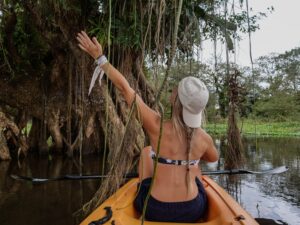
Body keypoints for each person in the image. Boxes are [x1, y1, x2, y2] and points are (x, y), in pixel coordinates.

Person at [76, 31, 219, 223]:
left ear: (174, 99)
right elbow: (212, 159)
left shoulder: (155, 125)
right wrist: (191, 161)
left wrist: (100, 58)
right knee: (196, 170)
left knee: (146, 152)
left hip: (154, 208)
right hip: (191, 209)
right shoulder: (204, 138)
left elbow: (125, 88)